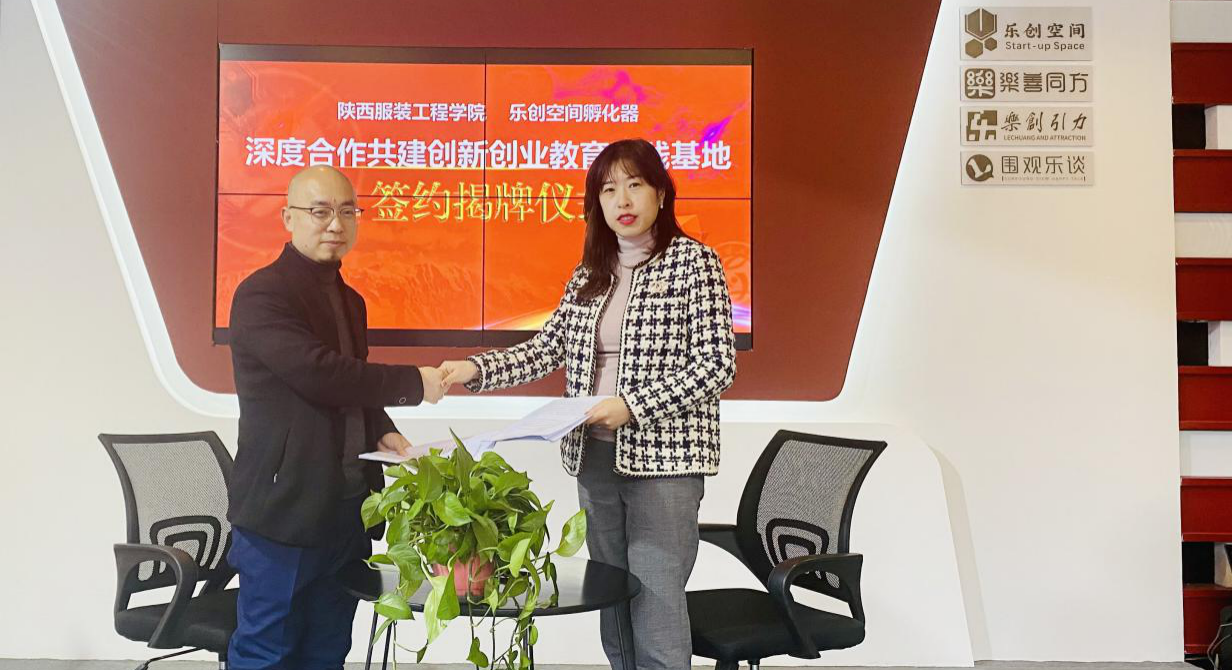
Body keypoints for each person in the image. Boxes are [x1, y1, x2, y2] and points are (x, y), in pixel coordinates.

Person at [440, 139, 736, 669]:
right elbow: (546, 348)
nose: (623, 199)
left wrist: (632, 405)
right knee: (612, 593)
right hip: (595, 457)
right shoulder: (590, 275)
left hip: (664, 463)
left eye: (635, 184)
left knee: (657, 600)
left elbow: (716, 365)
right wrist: (475, 370)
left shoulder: (695, 264)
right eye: (609, 189)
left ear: (661, 193)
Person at [225, 165, 446, 669]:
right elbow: (318, 374)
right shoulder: (262, 294)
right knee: (265, 653)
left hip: (345, 513)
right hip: (284, 512)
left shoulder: (350, 300)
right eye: (320, 211)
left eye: (347, 211)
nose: (335, 223)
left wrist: (382, 429)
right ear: (288, 217)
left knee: (328, 651)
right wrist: (415, 382)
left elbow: (352, 384)